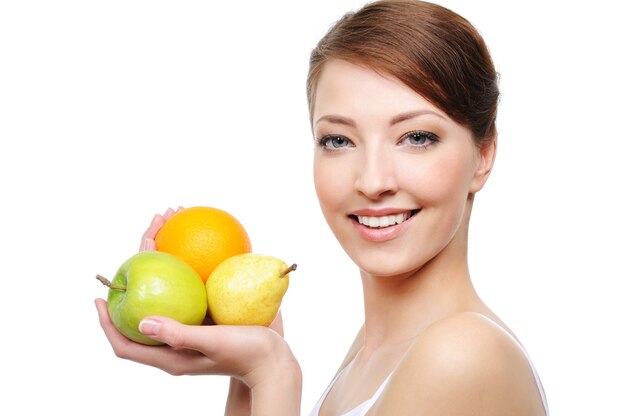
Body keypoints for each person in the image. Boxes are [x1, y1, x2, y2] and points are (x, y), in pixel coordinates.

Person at [95, 1, 550, 414]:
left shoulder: (462, 355)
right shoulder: (374, 353)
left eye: (416, 137)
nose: (372, 181)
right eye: (339, 140)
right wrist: (249, 362)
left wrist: (273, 373)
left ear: (483, 155)